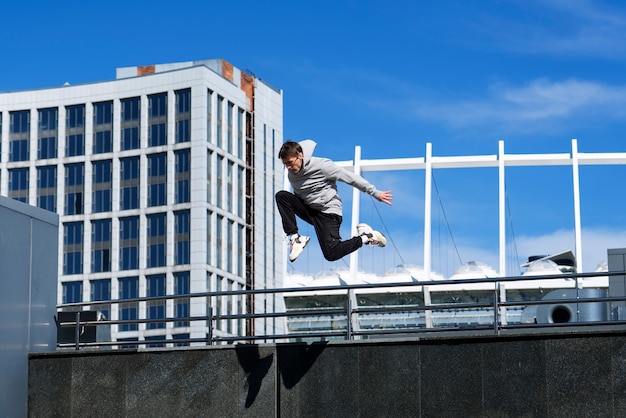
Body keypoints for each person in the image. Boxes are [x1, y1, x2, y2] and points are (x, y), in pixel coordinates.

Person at [275, 139, 393, 262]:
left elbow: (350, 178)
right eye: (285, 164)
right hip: (310, 211)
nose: (288, 167)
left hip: (328, 213)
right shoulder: (291, 175)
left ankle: (366, 237)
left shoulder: (322, 165)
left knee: (331, 254)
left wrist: (374, 192)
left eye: (290, 162)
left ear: (300, 155)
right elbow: (297, 196)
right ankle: (295, 238)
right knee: (282, 196)